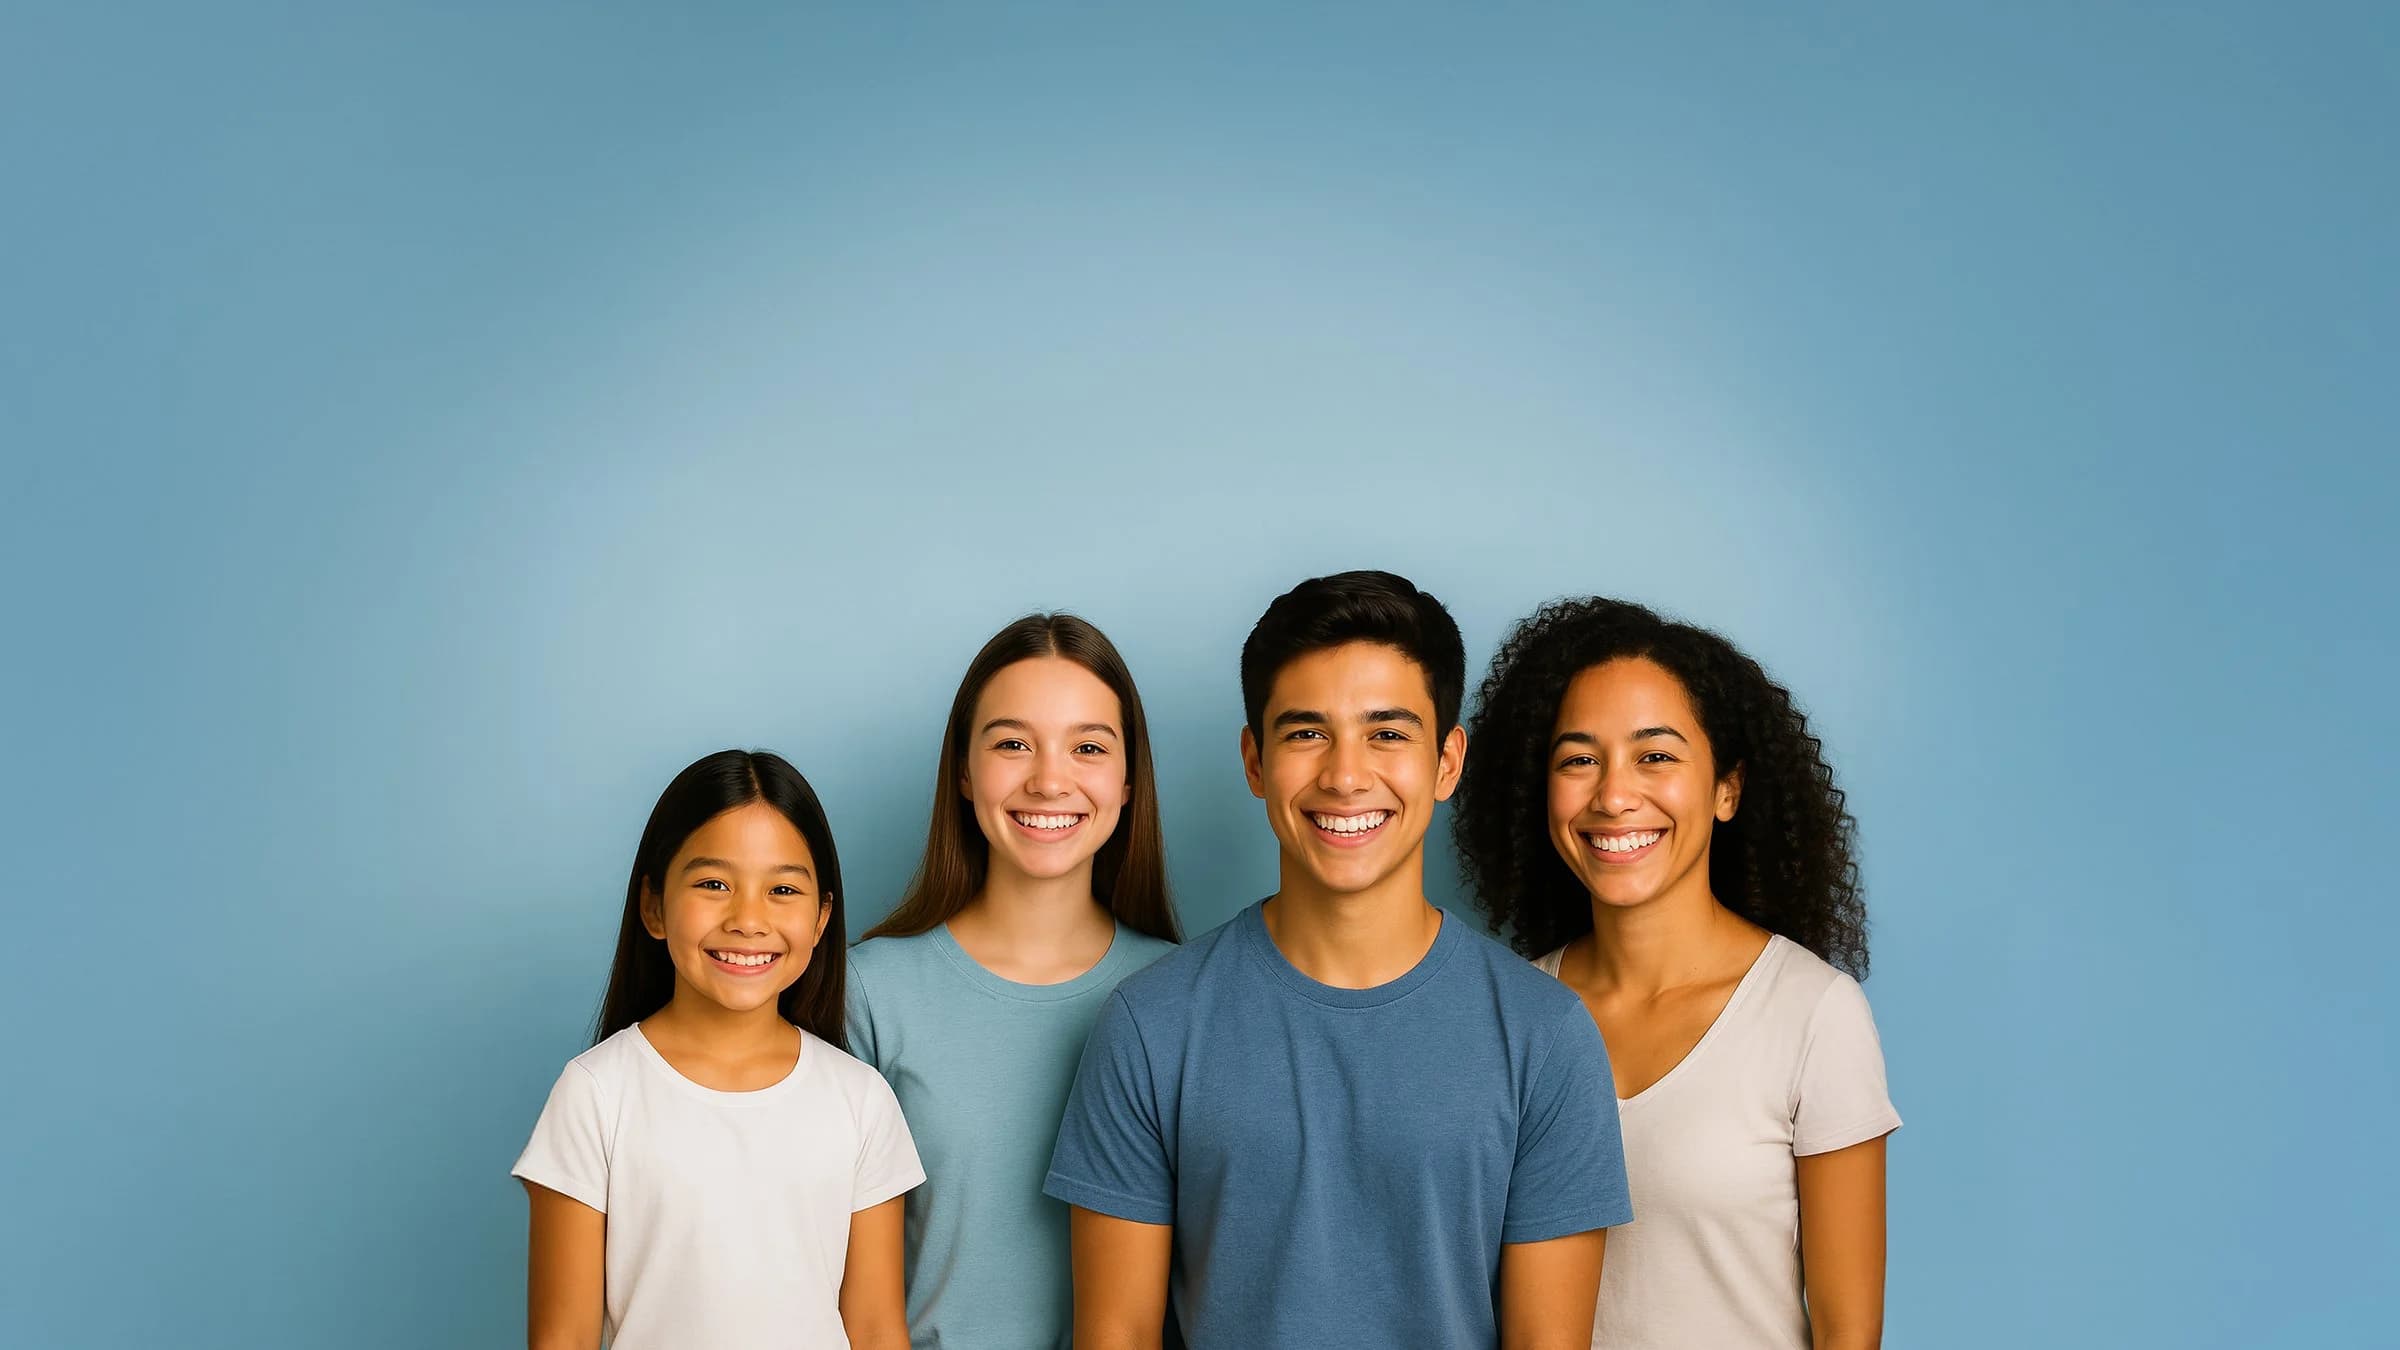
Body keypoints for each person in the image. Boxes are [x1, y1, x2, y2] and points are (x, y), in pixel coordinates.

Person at [1046, 570, 1632, 1350]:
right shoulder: (1150, 1025)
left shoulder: (1545, 1034)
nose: (1346, 775)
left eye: (1386, 733)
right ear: (1255, 761)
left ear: (1447, 763)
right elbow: (1115, 1335)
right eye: (1305, 732)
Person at [1451, 597, 1899, 1350]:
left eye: (1655, 755)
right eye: (1578, 759)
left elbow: (1850, 1335)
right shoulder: (1503, 1016)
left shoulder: (1813, 1013)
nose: (1614, 794)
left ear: (1728, 789)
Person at [513, 750, 922, 1350]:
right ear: (654, 906)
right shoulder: (596, 1094)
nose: (748, 920)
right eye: (713, 884)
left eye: (782, 889)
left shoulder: (861, 1100)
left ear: (820, 918)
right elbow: (563, 1338)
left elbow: (876, 1330)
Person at [849, 613, 1181, 1349]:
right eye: (1012, 744)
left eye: (1088, 747)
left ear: (1128, 782)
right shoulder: (868, 995)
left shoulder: (1184, 992)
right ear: (964, 773)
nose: (1049, 779)